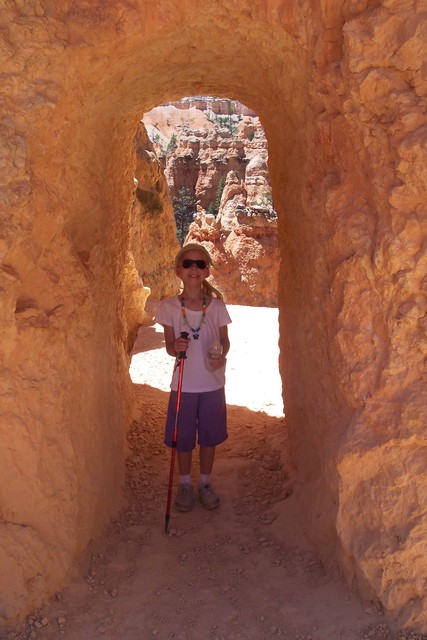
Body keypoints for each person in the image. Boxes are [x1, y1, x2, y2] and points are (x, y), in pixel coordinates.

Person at [155, 243, 231, 512]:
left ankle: (205, 483)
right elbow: (168, 347)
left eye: (200, 264)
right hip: (183, 385)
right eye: (188, 264)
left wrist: (220, 352)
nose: (194, 269)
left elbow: (224, 340)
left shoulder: (218, 306)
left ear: (207, 271)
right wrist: (175, 346)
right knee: (184, 438)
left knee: (208, 437)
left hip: (211, 383)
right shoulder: (169, 308)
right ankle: (186, 483)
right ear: (179, 270)